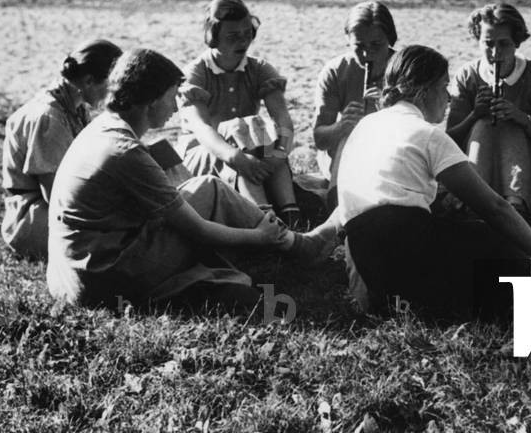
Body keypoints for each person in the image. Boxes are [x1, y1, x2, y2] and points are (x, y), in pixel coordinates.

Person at [47, 48, 327, 311]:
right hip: (103, 278)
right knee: (212, 190)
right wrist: (258, 237)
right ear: (152, 101)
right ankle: (296, 247)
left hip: (71, 274)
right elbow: (199, 230)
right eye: (172, 97)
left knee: (204, 187)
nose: (175, 107)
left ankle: (282, 245)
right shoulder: (125, 151)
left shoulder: (104, 127)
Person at [331, 45, 531, 318]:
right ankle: (515, 303)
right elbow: (495, 207)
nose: (448, 98)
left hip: (364, 279)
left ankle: (425, 302)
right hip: (404, 247)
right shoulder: (426, 133)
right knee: (503, 241)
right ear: (425, 90)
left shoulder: (365, 126)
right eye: (444, 87)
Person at [178, 0, 301, 228]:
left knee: (264, 135)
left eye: (247, 34)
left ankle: (291, 213)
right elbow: (203, 130)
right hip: (204, 152)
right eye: (232, 36)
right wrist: (237, 158)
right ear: (213, 36)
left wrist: (279, 154)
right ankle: (266, 219)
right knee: (240, 131)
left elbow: (283, 118)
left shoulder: (259, 68)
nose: (242, 41)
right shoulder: (196, 73)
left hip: (247, 144)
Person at [446, 3, 531, 222]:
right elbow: (450, 140)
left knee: (509, 127)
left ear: (516, 43)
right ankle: (478, 199)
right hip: (476, 160)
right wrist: (474, 115)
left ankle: (517, 201)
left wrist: (522, 119)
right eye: (488, 43)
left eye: (503, 44)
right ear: (478, 41)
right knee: (484, 125)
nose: (495, 52)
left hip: (530, 167)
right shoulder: (467, 76)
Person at [1, 39, 123, 259]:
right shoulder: (50, 117)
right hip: (34, 218)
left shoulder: (73, 105)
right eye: (111, 84)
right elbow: (57, 197)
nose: (113, 93)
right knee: (121, 238)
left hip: (54, 209)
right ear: (88, 81)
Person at [313, 1, 397, 203]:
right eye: (359, 46)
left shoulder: (405, 68)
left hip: (392, 150)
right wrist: (342, 126)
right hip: (344, 155)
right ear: (348, 41)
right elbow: (319, 138)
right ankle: (336, 202)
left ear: (391, 39)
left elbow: (427, 125)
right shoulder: (335, 71)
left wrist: (388, 112)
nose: (367, 54)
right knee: (350, 135)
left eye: (376, 45)